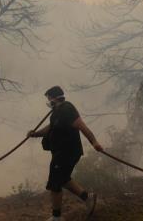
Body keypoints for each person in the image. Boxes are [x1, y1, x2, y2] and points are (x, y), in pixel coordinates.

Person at [28, 86, 103, 221]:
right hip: (60, 152)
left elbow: (82, 126)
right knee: (63, 179)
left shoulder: (67, 109)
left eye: (49, 99)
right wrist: (35, 134)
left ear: (55, 98)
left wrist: (94, 142)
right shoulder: (56, 113)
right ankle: (88, 198)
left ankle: (56, 217)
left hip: (67, 152)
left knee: (55, 183)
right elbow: (50, 128)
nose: (48, 102)